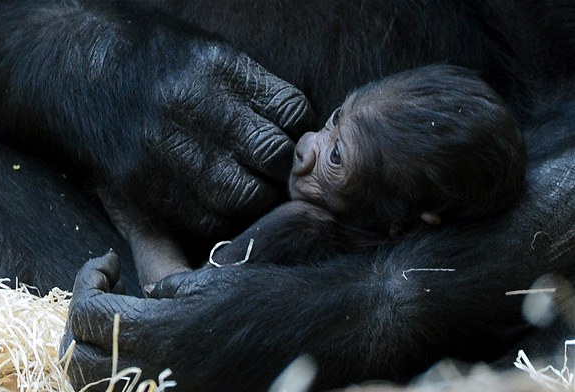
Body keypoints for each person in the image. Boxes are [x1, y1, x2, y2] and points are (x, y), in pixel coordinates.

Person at [104, 64, 526, 290]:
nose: (308, 144)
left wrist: (136, 217)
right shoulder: (406, 248)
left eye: (336, 156)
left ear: (406, 223)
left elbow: (175, 295)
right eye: (335, 118)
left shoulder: (305, 225)